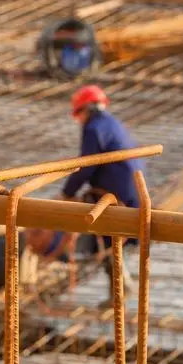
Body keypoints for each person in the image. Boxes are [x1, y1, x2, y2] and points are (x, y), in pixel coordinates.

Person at [60, 85, 141, 298]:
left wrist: (67, 192)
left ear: (85, 109)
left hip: (116, 192)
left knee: (110, 239)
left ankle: (120, 291)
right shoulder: (112, 123)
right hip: (131, 188)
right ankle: (121, 289)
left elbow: (87, 165)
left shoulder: (93, 127)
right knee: (115, 239)